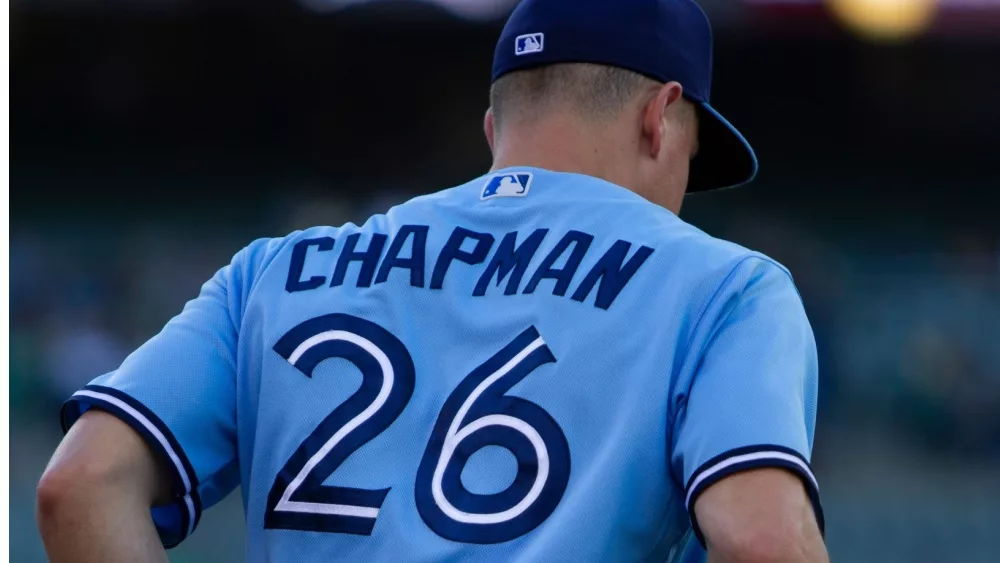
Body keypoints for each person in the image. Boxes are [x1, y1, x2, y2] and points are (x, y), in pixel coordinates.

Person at [37, 1, 828, 562]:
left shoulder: (274, 271)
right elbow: (762, 540)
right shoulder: (727, 287)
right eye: (694, 155)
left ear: (495, 130)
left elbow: (78, 485)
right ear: (660, 117)